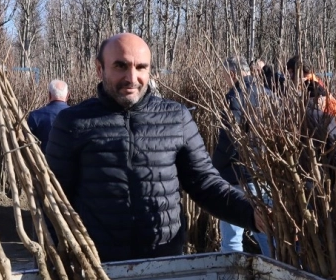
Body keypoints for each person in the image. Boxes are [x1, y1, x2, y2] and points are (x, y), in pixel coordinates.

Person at [46, 33, 263, 263]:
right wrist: (61, 259)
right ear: (100, 69)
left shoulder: (176, 118)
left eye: (141, 67)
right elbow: (53, 199)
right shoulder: (73, 123)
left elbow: (205, 183)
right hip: (98, 266)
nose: (132, 78)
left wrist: (252, 214)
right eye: (120, 66)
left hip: (164, 263)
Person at [213, 57, 271, 256]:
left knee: (232, 234)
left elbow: (229, 139)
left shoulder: (235, 97)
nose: (225, 80)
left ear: (233, 73)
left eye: (225, 76)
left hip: (238, 173)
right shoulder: (269, 94)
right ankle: (275, 269)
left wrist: (215, 165)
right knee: (265, 229)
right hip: (265, 172)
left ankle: (232, 272)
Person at [27, 79, 69, 147]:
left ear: (49, 95)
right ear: (67, 96)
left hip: (41, 153)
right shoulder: (76, 115)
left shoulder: (35, 116)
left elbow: (28, 140)